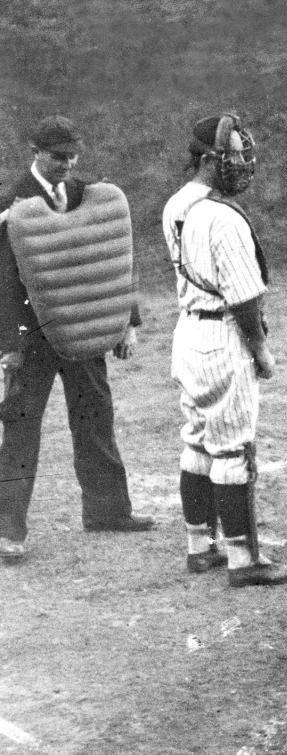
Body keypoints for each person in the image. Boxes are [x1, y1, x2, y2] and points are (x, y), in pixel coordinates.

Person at [0, 115, 154, 564]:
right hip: (31, 339)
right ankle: (7, 530)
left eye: (72, 155)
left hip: (81, 329)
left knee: (96, 418)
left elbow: (113, 259)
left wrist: (127, 321)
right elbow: (3, 283)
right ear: (35, 151)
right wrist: (8, 344)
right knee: (21, 431)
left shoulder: (90, 197)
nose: (67, 164)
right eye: (57, 156)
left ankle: (108, 511)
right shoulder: (12, 203)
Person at [161, 113, 287, 588]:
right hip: (221, 340)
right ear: (208, 160)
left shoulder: (177, 205)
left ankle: (200, 546)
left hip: (188, 335)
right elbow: (243, 297)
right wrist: (260, 349)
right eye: (233, 155)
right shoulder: (223, 218)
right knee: (234, 449)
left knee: (197, 439)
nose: (241, 163)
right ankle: (244, 560)